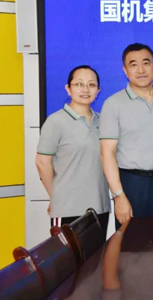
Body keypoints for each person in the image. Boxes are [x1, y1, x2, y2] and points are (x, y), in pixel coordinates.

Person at [100, 43, 153, 229]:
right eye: (133, 64)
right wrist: (118, 196)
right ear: (125, 70)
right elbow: (107, 153)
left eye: (146, 63)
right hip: (133, 185)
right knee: (132, 243)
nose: (141, 70)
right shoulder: (113, 104)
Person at [36, 65, 110, 238]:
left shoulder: (103, 121)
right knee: (68, 255)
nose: (85, 89)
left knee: (97, 255)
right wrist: (55, 197)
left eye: (91, 85)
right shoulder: (55, 121)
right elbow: (42, 162)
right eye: (79, 84)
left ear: (98, 90)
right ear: (68, 89)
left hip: (99, 207)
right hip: (68, 208)